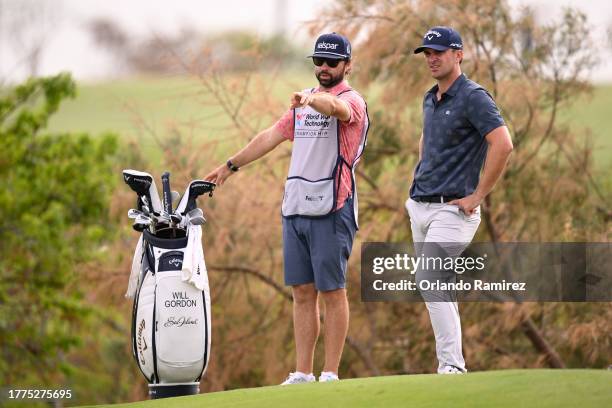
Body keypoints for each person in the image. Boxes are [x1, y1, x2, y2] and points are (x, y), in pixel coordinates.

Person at [204, 32, 369, 384]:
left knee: (332, 291)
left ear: (347, 65)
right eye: (318, 62)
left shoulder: (351, 101)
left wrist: (313, 101)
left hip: (333, 208)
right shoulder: (305, 99)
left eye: (331, 62)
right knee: (301, 293)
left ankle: (330, 372)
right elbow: (270, 136)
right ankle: (303, 372)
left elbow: (336, 109)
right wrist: (229, 166)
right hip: (295, 208)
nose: (323, 68)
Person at [406, 26, 513, 374]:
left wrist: (479, 194)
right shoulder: (429, 97)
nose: (432, 58)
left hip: (454, 209)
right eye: (427, 53)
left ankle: (451, 366)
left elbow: (503, 143)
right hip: (420, 205)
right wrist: (418, 175)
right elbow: (427, 139)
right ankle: (453, 366)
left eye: (439, 51)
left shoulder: (474, 97)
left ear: (458, 54)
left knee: (429, 277)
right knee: (438, 285)